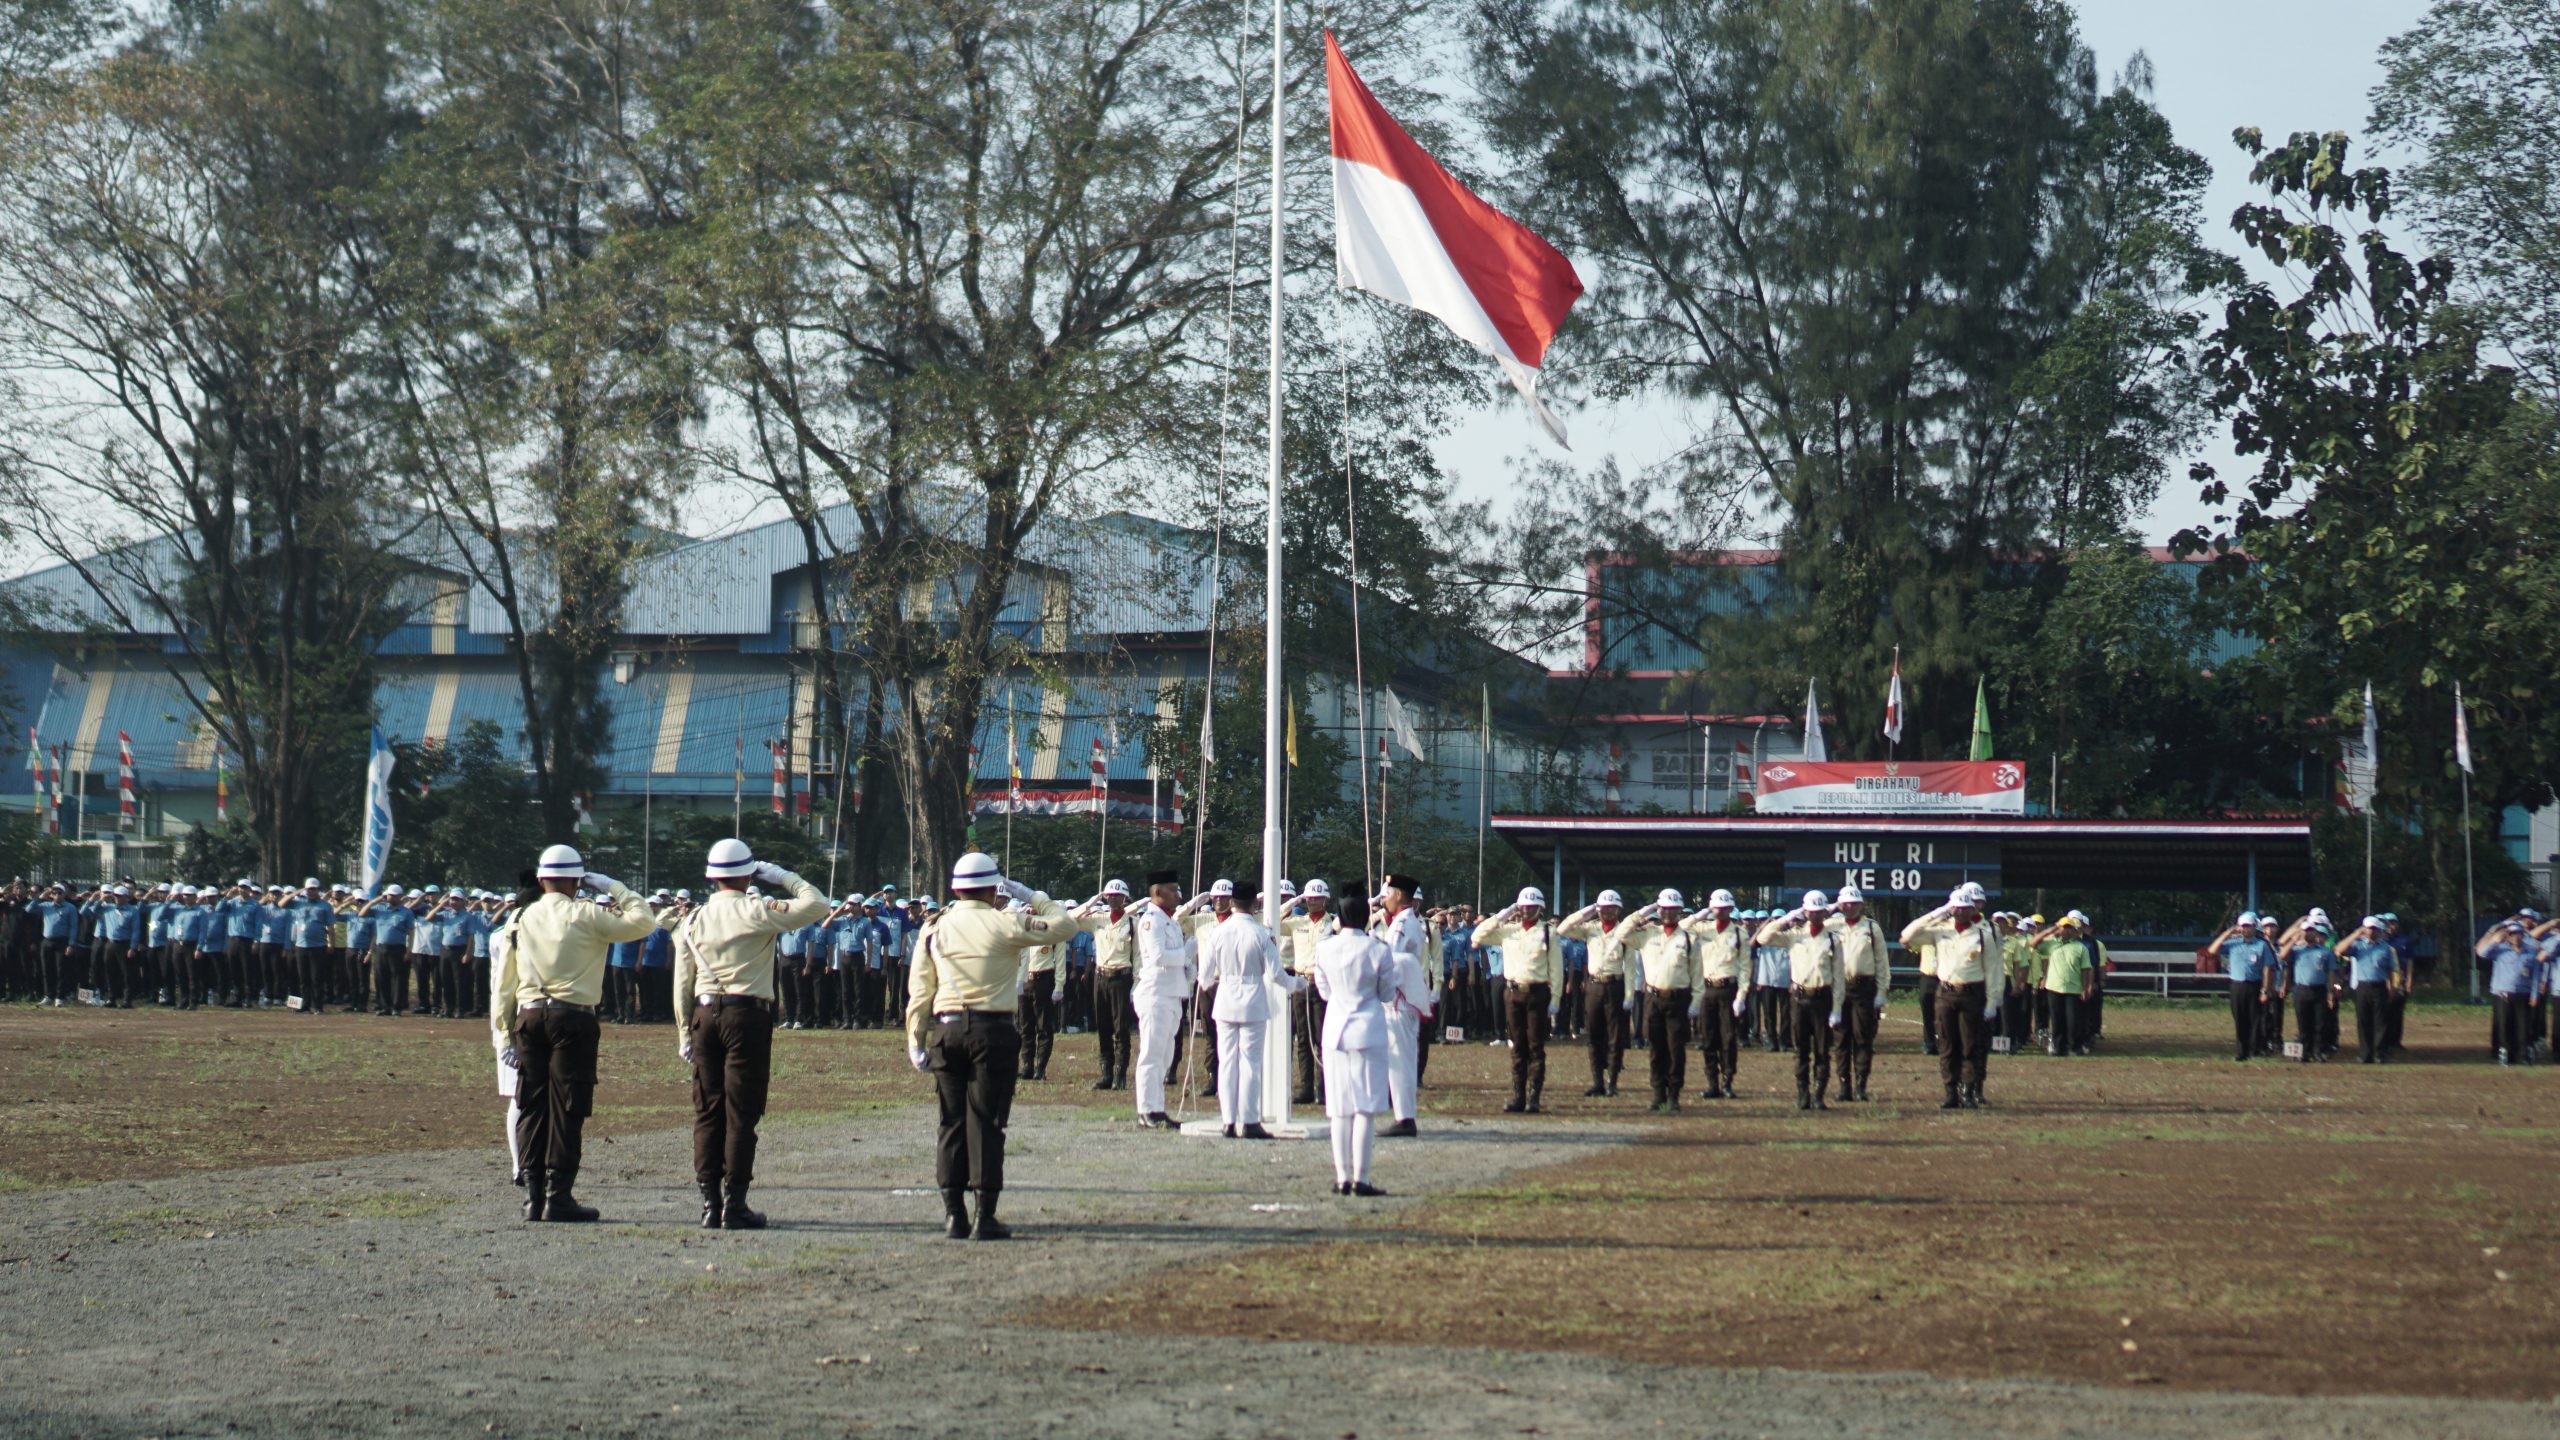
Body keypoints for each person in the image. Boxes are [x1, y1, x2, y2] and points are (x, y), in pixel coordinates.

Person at [488, 844, 657, 1223]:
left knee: (531, 1106)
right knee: (568, 1108)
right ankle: (558, 1195)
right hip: (573, 1019)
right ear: (576, 880)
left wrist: (503, 1035)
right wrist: (615, 886)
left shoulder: (520, 917)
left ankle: (533, 1197)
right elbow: (644, 921)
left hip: (529, 1018)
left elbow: (504, 983)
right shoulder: (587, 915)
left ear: (543, 878)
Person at [903, 850, 1063, 1240]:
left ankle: (953, 1214)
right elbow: (1065, 926)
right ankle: (984, 1215)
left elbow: (920, 990)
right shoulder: (1005, 922)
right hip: (992, 1031)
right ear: (994, 889)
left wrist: (915, 1040)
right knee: (987, 1123)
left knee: (951, 1122)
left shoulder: (934, 927)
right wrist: (1031, 893)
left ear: (955, 889)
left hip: (947, 1029)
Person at [669, 838, 828, 1230]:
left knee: (707, 1111)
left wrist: (682, 1033)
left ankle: (709, 1202)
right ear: (746, 874)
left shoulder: (693, 918)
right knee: (741, 1111)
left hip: (704, 1016)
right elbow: (818, 904)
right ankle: (735, 1204)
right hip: (747, 1016)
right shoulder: (758, 910)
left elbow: (682, 981)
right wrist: (780, 876)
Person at [1313, 897, 1406, 1196]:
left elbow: (1324, 992)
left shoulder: (1325, 947)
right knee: (1365, 1107)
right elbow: (1387, 993)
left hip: (1336, 1029)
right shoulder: (1378, 949)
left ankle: (1342, 1178)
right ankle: (1361, 1178)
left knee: (1339, 1109)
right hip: (1368, 1029)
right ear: (1367, 917)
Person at [1197, 886, 1296, 1138]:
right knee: (1250, 1063)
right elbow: (1276, 974)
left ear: (1231, 902)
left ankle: (1228, 1121)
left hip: (1226, 996)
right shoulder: (1261, 933)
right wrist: (1297, 985)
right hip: (1252, 998)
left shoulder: (1218, 932)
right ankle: (1250, 1120)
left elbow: (1205, 975)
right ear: (1254, 904)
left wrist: (1212, 984)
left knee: (1227, 1062)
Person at [1901, 883, 1998, 1110]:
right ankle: (1950, 1091)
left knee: (1969, 1045)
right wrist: (1937, 912)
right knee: (1947, 1044)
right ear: (1951, 909)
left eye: (1966, 908)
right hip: (1945, 994)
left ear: (1972, 910)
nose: (1962, 912)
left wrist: (1993, 1002)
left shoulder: (1983, 935)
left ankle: (1968, 1092)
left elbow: (1993, 971)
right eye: (1957, 908)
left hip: (1972, 994)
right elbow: (1907, 937)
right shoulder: (1940, 930)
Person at [1471, 883, 1563, 1114]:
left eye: (1531, 907)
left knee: (1535, 1046)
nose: (1526, 910)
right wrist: (1505, 913)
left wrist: (1556, 999)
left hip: (1537, 994)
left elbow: (1557, 970)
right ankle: (1518, 1096)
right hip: (1512, 993)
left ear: (1539, 908)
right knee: (1517, 1046)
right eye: (1522, 906)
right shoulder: (1508, 930)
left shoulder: (1547, 932)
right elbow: (1478, 934)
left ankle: (1534, 1097)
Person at [1755, 894, 1843, 1111]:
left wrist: (1837, 1009)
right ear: (1805, 912)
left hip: (1823, 998)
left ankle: (1819, 1095)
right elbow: (1764, 938)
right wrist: (1788, 918)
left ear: (1825, 913)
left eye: (1819, 912)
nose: (1815, 916)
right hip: (1799, 998)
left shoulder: (1833, 939)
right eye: (1810, 912)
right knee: (1801, 1049)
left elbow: (1839, 977)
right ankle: (1803, 1094)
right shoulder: (1794, 935)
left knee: (1822, 1050)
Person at [1621, 889, 1698, 1112]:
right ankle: (1658, 1092)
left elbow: (1697, 974)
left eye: (1673, 910)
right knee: (1655, 1048)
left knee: (1676, 1049)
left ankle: (1674, 1094)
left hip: (1678, 999)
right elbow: (1621, 934)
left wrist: (1695, 1003)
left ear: (1680, 912)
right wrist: (1645, 911)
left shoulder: (1689, 939)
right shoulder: (1647, 934)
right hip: (1653, 999)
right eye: (1664, 909)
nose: (1668, 914)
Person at [1555, 889, 1636, 1097]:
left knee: (1615, 1037)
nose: (1607, 913)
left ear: (1618, 911)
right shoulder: (1590, 929)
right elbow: (1563, 929)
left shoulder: (1623, 933)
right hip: (1594, 986)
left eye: (1612, 909)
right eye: (1603, 909)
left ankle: (1613, 1083)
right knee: (1594, 1035)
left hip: (1615, 985)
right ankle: (1598, 1081)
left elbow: (1629, 966)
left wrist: (1629, 995)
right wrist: (1587, 911)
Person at [1129, 870, 1194, 1128]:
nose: (1178, 894)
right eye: (1172, 889)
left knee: (1166, 1056)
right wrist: (1185, 952)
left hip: (1172, 993)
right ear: (1157, 892)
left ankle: (1157, 1107)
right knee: (1153, 1053)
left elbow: (1175, 959)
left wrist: (1188, 965)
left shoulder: (1171, 921)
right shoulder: (1151, 920)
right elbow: (1157, 957)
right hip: (1155, 994)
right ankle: (1147, 1110)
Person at [1679, 889, 1749, 1099]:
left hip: (1728, 989)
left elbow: (1745, 968)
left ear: (1730, 909)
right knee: (1708, 1038)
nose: (1721, 911)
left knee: (1728, 1038)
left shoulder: (1739, 933)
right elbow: (1682, 927)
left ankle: (1727, 1082)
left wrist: (1742, 996)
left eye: (1725, 908)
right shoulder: (1702, 930)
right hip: (1706, 989)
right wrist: (1704, 912)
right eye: (1717, 908)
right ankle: (1712, 1083)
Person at [1376, 875, 1432, 1135]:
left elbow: (1389, 959)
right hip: (1399, 1001)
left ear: (1398, 895)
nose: (1383, 898)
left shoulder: (1402, 924)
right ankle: (1403, 1114)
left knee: (1401, 1060)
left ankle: (1405, 1117)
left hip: (1399, 1001)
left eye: (1387, 893)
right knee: (1398, 1059)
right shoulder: (1401, 921)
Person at [1826, 885, 1890, 1102]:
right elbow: (1809, 921)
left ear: (1862, 905)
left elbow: (1882, 962)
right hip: (1839, 987)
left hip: (1864, 988)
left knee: (1863, 1037)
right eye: (1845, 904)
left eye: (1854, 903)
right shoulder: (1831, 926)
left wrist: (1882, 991)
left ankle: (1861, 1085)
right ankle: (1844, 1086)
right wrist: (1830, 907)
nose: (1850, 907)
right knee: (1841, 1038)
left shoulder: (1872, 928)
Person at [1278, 881, 1339, 1105]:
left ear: (1326, 899)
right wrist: (1294, 901)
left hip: (1322, 983)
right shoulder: (1297, 922)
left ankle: (1324, 1088)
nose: (1313, 902)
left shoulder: (1332, 923)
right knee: (1302, 1038)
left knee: (1322, 1038)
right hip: (1301, 981)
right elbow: (1273, 920)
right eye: (1310, 899)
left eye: (1317, 898)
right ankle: (1306, 1088)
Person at [1075, 880, 1139, 1091]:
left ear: (1125, 898)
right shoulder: (1097, 919)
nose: (1113, 898)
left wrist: (1136, 984)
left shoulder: (1132, 923)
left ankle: (1120, 1074)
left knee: (1121, 1028)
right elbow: (1071, 919)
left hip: (1121, 978)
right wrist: (1093, 901)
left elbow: (1138, 957)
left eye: (1117, 895)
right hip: (1100, 977)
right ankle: (1106, 1073)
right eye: (1109, 895)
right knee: (1102, 1027)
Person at [2207, 913, 2279, 1062]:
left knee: (2255, 1018)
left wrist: (2265, 989)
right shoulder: (2234, 943)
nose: (2246, 929)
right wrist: (2229, 932)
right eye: (2243, 926)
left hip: (2255, 984)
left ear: (2254, 927)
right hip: (2237, 985)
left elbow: (2267, 969)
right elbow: (2212, 950)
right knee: (2240, 1018)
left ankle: (2254, 1049)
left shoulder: (2262, 945)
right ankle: (2241, 1050)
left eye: (2249, 926)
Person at [2477, 914, 2542, 1066]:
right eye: (2512, 934)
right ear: (2508, 936)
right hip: (2504, 993)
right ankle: (2506, 1052)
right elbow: (2482, 953)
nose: (2515, 937)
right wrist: (2494, 941)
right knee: (2505, 1024)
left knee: (2523, 1025)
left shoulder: (2531, 952)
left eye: (2518, 934)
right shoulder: (2500, 950)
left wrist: (2535, 994)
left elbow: (2536, 975)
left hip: (2523, 993)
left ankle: (2524, 1053)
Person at [2277, 913, 2340, 1064]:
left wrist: (2331, 992)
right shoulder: (2297, 950)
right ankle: (2304, 1052)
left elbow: (2331, 973)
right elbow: (2281, 955)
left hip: (2319, 990)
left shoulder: (2325, 951)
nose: (2308, 933)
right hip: (2301, 990)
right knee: (2303, 1024)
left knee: (2320, 1024)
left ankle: (2318, 1052)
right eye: (2306, 931)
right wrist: (2294, 939)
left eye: (2311, 931)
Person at [2039, 916, 2097, 1054]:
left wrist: (2086, 987)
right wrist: (2052, 929)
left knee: (2073, 1021)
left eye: (2068, 928)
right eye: (2063, 927)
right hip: (2054, 987)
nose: (2065, 930)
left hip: (2074, 988)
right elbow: (2033, 943)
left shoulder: (2080, 947)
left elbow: (2086, 969)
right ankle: (2058, 1048)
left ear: (2073, 931)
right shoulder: (2051, 944)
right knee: (2057, 1020)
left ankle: (2074, 1047)